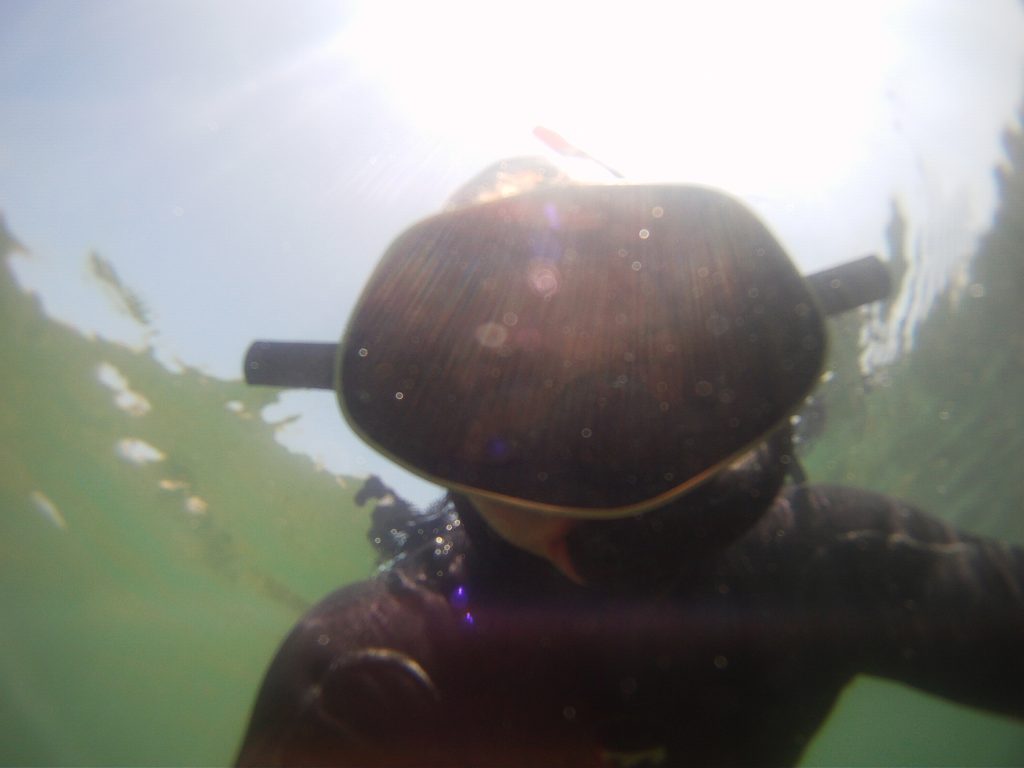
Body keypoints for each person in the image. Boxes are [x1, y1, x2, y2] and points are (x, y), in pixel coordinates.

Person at [235, 159, 1024, 767]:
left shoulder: (836, 563)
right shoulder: (370, 679)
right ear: (425, 421)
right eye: (497, 382)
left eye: (633, 357)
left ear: (711, 359)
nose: (584, 457)